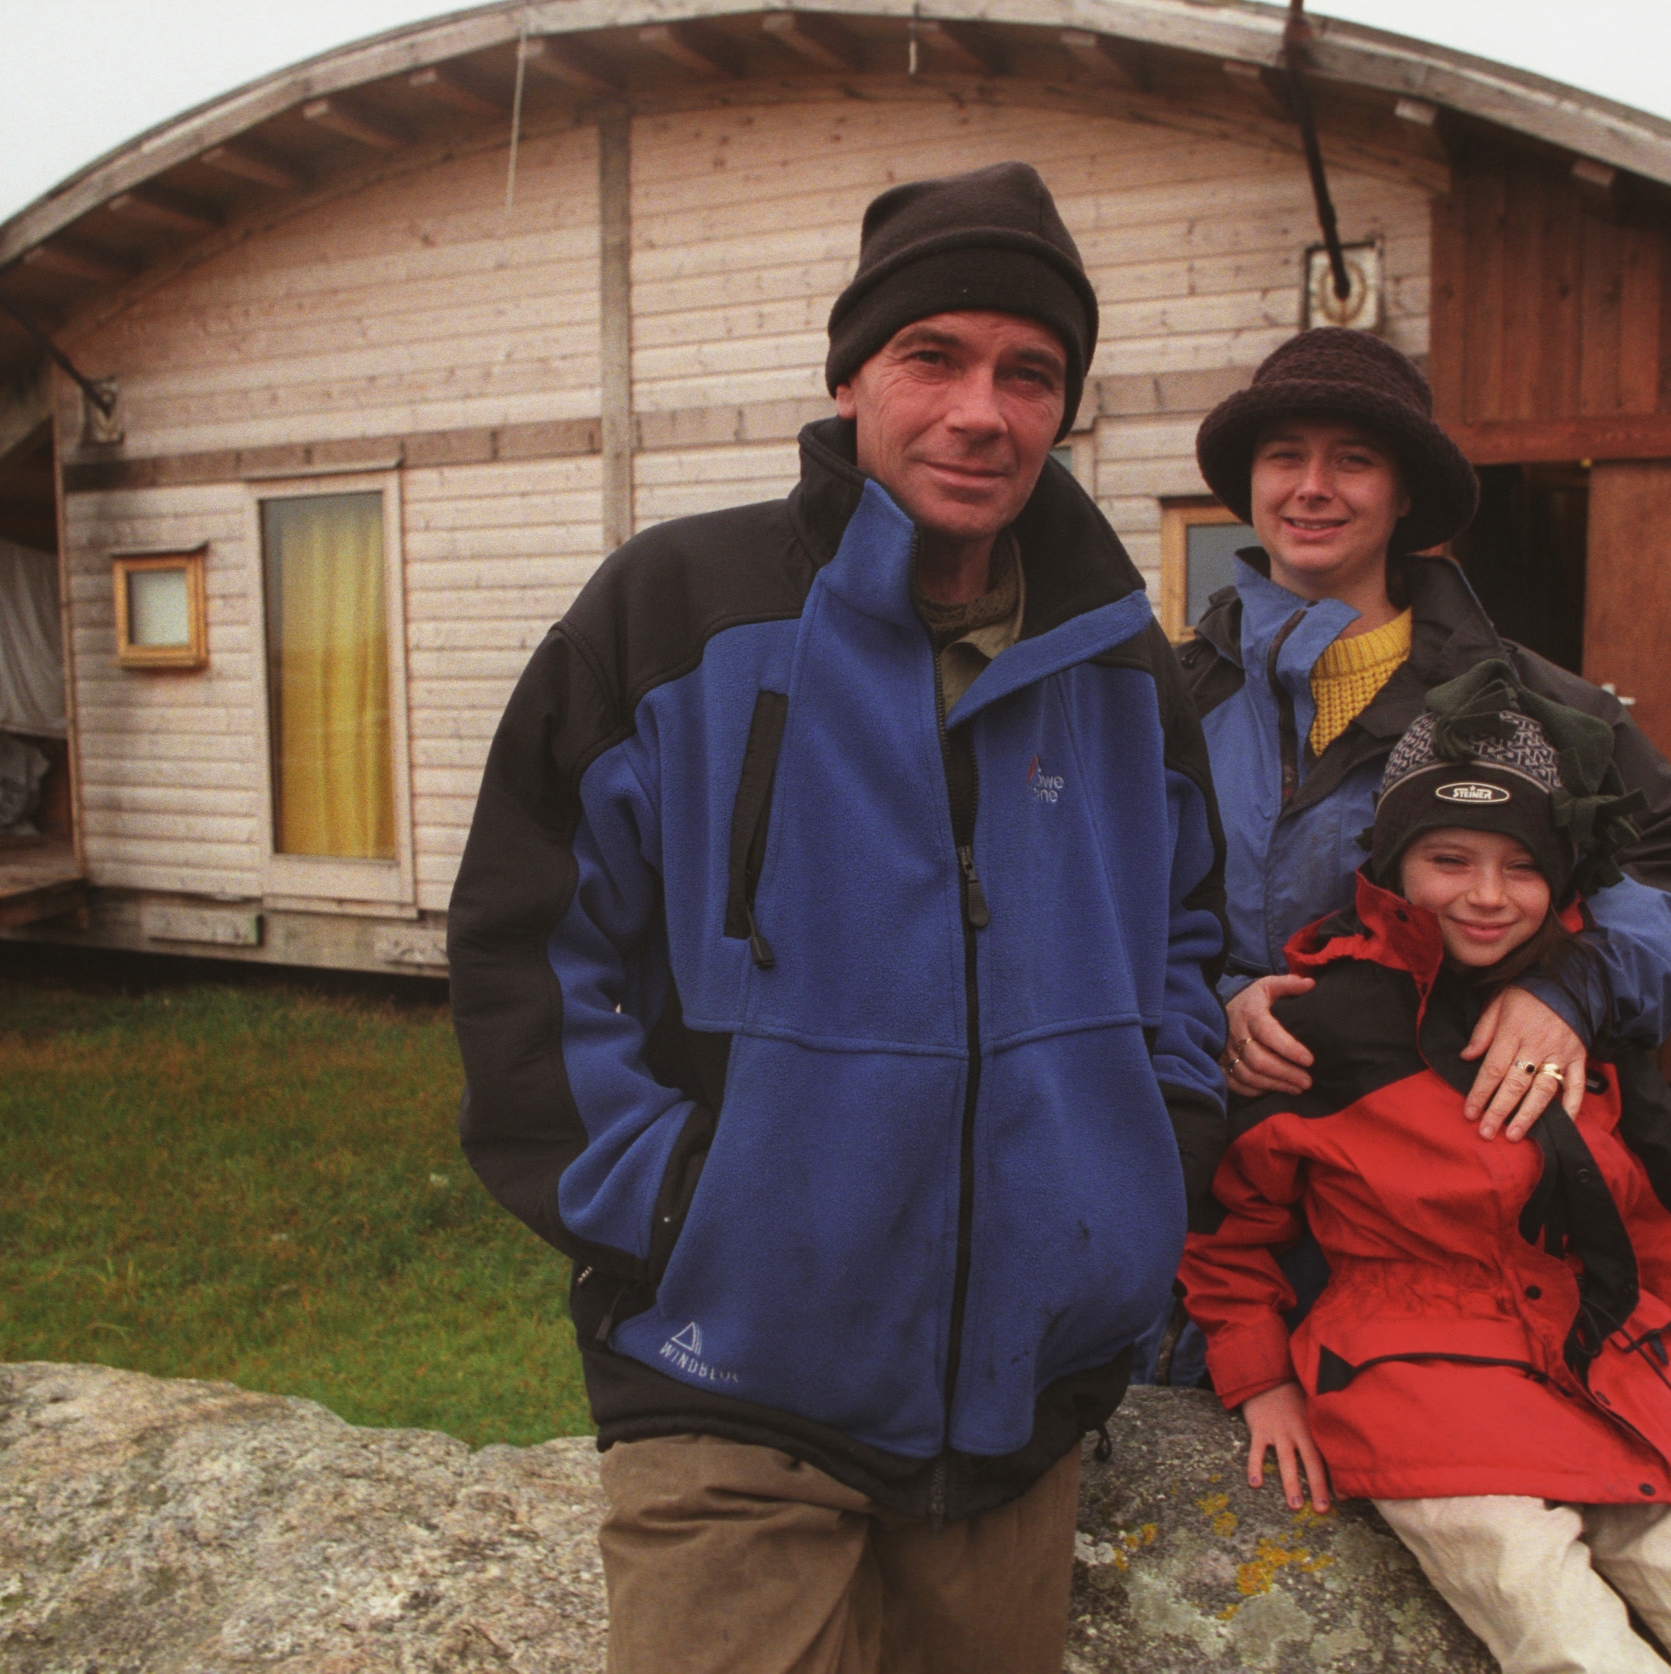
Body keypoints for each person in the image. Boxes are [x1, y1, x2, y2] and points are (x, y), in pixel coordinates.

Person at [447, 161, 1229, 1674]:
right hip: (728, 1373)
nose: (979, 413)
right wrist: (674, 1204)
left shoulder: (1123, 663)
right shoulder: (676, 606)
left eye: (1029, 372)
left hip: (1018, 1399)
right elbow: (529, 940)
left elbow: (1189, 937)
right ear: (850, 374)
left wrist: (1144, 1166)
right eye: (931, 357)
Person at [1181, 664, 1671, 1674]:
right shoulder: (1322, 1024)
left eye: (1521, 865)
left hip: (1618, 1379)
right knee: (1569, 1643)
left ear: (1565, 875)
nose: (1487, 896)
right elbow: (1223, 1225)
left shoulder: (1593, 1035)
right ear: (1392, 864)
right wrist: (1259, 1380)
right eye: (1449, 859)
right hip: (1421, 1391)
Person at [1137, 328, 1671, 1388]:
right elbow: (1100, 906)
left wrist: (1575, 986)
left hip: (1430, 1202)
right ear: (1248, 484)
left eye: (1353, 459)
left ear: (1405, 492)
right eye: (1285, 456)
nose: (1313, 488)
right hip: (1208, 1174)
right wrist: (1205, 1002)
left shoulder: (1539, 709)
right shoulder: (1166, 703)